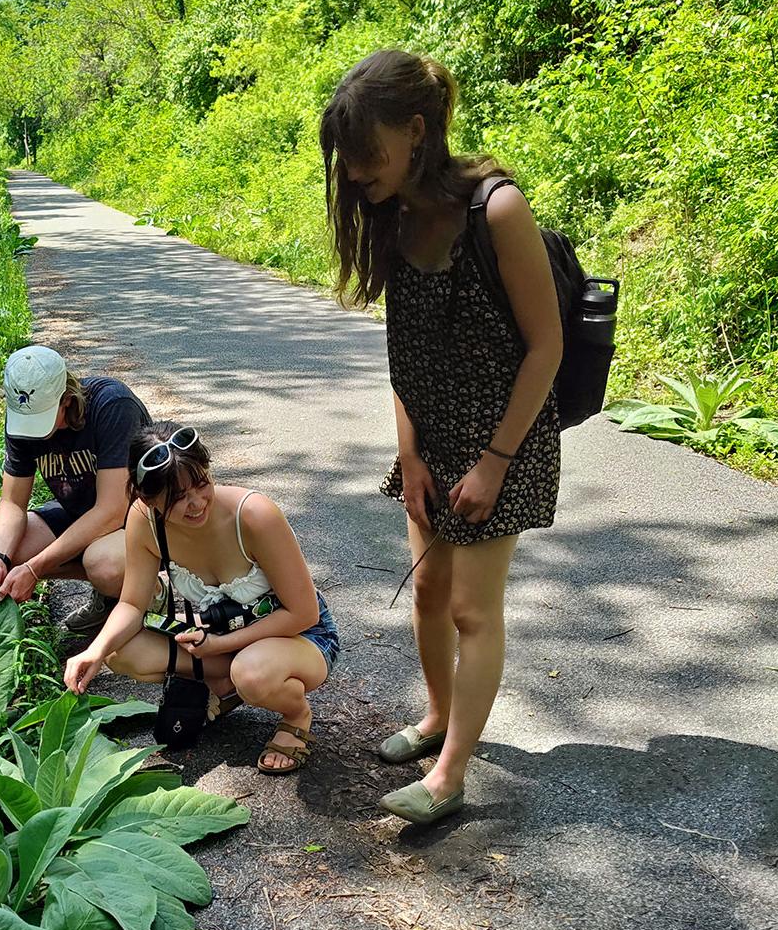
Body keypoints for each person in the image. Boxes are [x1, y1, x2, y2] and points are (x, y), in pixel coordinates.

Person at [320, 49, 562, 826]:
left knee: (469, 608)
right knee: (425, 588)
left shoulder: (496, 210)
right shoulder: (392, 216)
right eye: (346, 160)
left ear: (416, 131)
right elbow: (406, 356)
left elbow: (545, 348)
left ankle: (450, 777)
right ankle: (434, 719)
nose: (355, 173)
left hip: (505, 436)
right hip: (430, 439)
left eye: (368, 154)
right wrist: (410, 454)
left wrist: (494, 462)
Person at [62, 424, 340, 774]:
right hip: (221, 643)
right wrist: (94, 651)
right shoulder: (144, 521)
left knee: (251, 673)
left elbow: (303, 612)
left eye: (201, 484)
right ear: (148, 499)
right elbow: (132, 604)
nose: (196, 504)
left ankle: (294, 713)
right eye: (177, 498)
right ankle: (227, 685)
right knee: (122, 652)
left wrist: (222, 643)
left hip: (299, 638)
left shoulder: (254, 515)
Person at [0, 345, 151, 636]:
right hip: (82, 512)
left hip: (139, 516)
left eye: (43, 419)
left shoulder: (112, 405)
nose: (35, 433)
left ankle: (146, 592)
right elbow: (12, 503)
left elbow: (112, 511)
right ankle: (111, 593)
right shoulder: (21, 416)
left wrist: (34, 569)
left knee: (104, 564)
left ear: (67, 400)